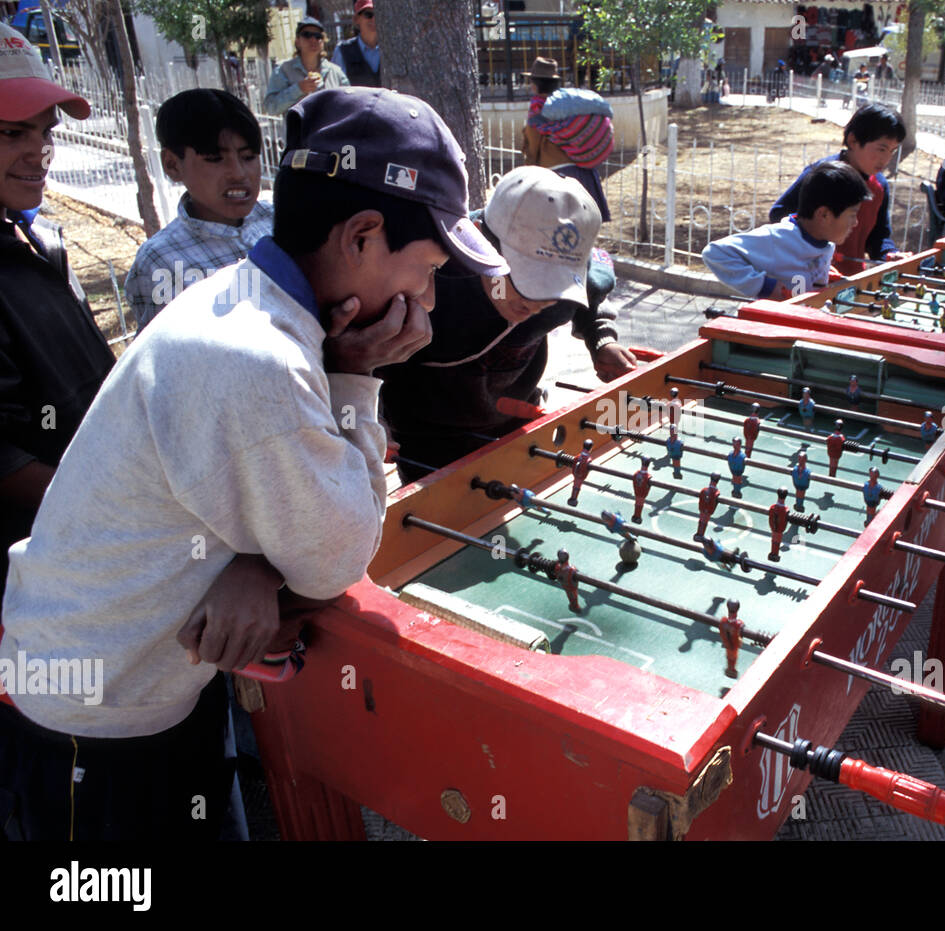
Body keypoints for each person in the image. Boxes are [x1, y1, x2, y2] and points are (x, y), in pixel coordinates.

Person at [0, 87, 502, 840]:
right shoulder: (257, 361)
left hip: (139, 683)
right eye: (427, 267)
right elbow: (335, 552)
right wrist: (359, 382)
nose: (426, 299)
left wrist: (258, 564)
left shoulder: (250, 302)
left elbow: (283, 525)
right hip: (95, 730)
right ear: (363, 235)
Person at [379, 166, 637, 481]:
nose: (540, 303)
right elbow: (367, 359)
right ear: (477, 242)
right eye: (529, 281)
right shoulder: (425, 282)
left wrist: (601, 339)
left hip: (516, 417)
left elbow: (592, 299)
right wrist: (370, 415)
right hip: (428, 436)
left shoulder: (569, 291)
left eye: (555, 286)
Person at [0, 23, 110, 609]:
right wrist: (122, 510)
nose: (37, 153)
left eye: (45, 132)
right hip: (36, 590)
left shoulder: (40, 240)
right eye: (11, 132)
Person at [124, 90, 274, 330]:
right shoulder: (162, 262)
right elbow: (169, 355)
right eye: (215, 158)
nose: (238, 173)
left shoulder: (280, 222)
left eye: (248, 156)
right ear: (172, 165)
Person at [770, 103, 909, 275]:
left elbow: (879, 236)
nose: (887, 158)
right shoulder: (823, 175)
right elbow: (779, 213)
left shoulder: (880, 186)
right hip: (809, 277)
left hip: (852, 281)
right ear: (853, 141)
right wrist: (815, 254)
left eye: (893, 151)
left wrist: (889, 254)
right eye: (881, 149)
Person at [702, 161, 867, 299]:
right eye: (852, 215)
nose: (856, 223)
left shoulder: (825, 242)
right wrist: (765, 286)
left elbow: (801, 277)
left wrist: (825, 279)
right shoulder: (776, 238)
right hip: (769, 330)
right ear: (823, 215)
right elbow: (714, 253)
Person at [522, 87, 614, 222]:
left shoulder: (538, 111)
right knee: (586, 227)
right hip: (586, 175)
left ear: (534, 85)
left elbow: (532, 150)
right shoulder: (569, 108)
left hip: (557, 175)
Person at [263, 17, 349, 117]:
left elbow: (349, 103)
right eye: (307, 35)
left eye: (318, 36)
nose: (313, 39)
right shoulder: (283, 70)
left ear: (323, 41)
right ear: (297, 41)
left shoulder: (335, 72)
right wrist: (299, 89)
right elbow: (271, 107)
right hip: (299, 132)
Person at [332, 0, 380, 88]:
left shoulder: (392, 51)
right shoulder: (343, 51)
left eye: (378, 14)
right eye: (369, 14)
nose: (374, 19)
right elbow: (335, 89)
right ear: (356, 19)